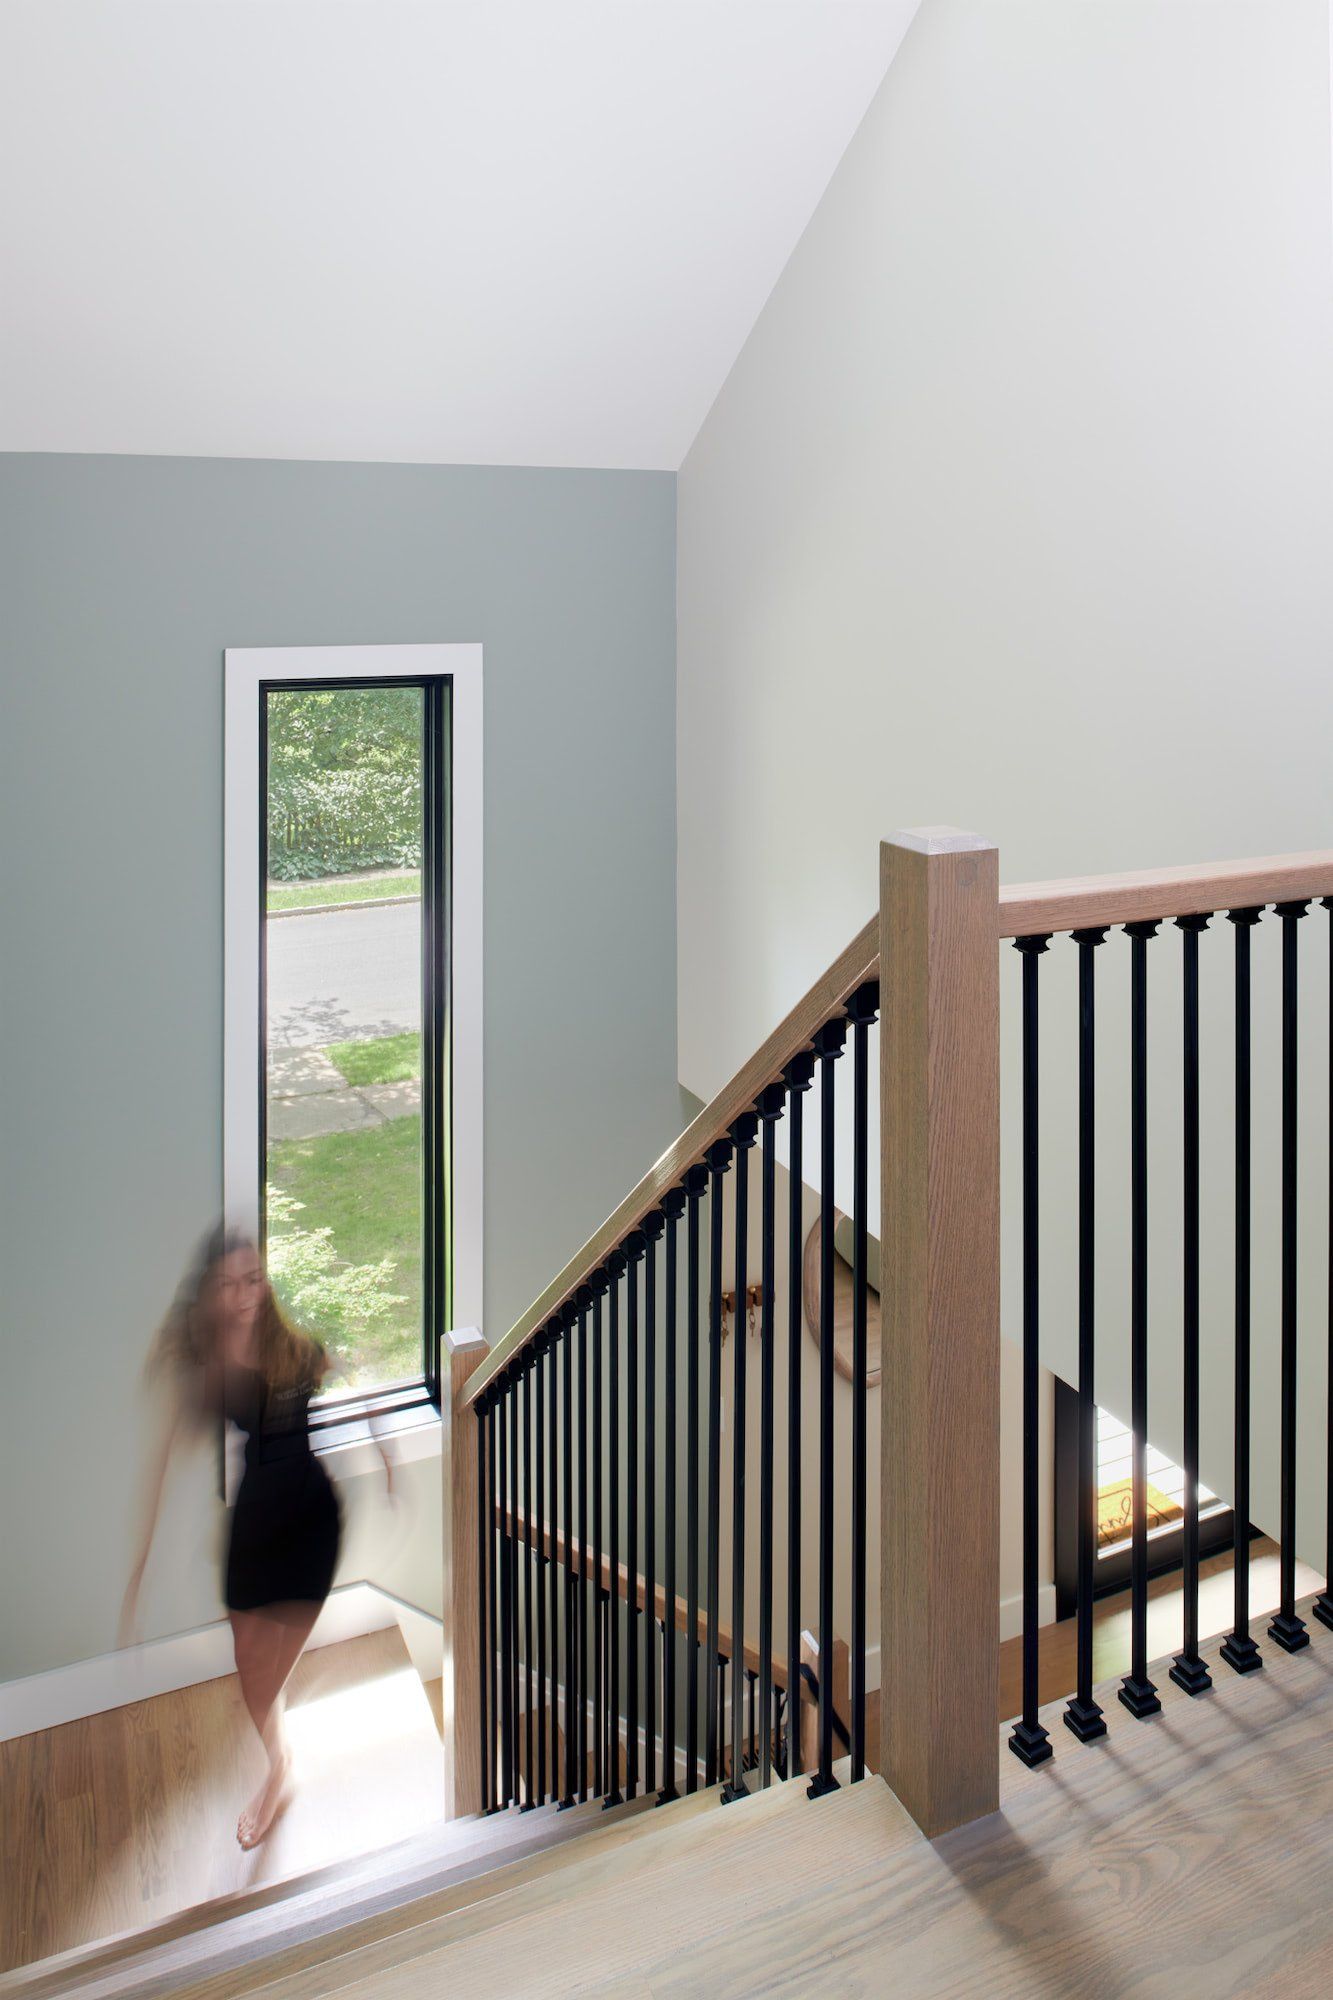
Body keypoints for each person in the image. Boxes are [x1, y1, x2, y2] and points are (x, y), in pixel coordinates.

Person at [121, 1226, 370, 1849]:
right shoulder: (207, 1372)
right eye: (230, 1284)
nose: (245, 1296)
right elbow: (159, 1467)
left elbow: (346, 1371)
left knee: (270, 1674)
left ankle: (278, 1771)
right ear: (210, 1292)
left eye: (253, 1279)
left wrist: (388, 1455)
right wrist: (138, 1572)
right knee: (250, 1671)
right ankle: (280, 1757)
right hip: (254, 1524)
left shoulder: (289, 1347)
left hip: (312, 1523)